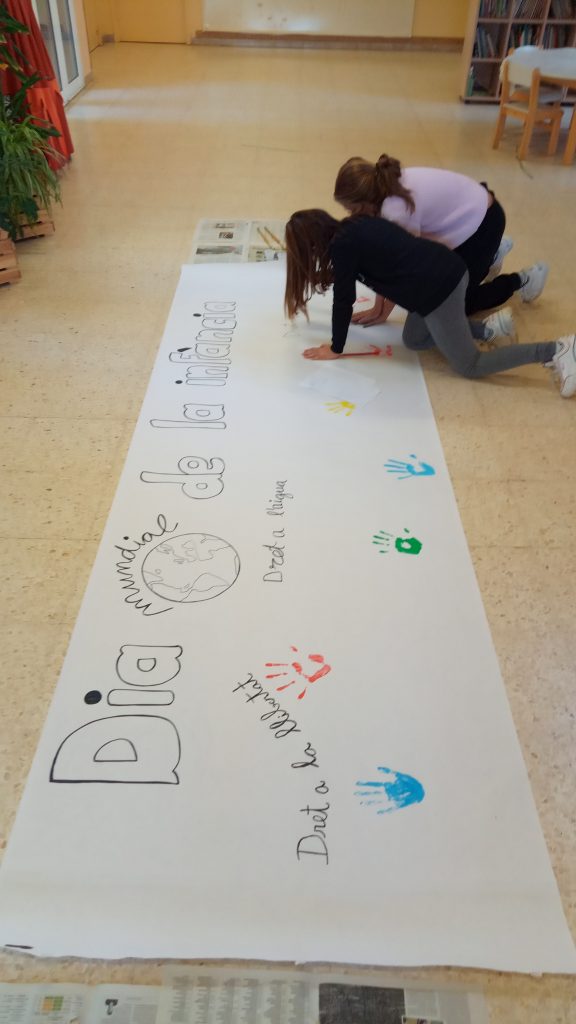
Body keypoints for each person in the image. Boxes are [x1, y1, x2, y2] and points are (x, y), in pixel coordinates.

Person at [284, 209, 576, 397]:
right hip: (443, 271)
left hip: (439, 289)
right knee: (414, 339)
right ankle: (488, 329)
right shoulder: (352, 226)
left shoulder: (343, 247)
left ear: (312, 245)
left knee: (471, 365)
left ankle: (557, 350)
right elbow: (382, 264)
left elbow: (344, 300)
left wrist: (335, 348)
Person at [333, 155, 548, 333]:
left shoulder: (395, 210)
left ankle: (522, 280)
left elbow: (400, 266)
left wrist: (381, 312)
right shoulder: (384, 182)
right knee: (440, 282)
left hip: (484, 223)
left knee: (455, 305)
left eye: (351, 209)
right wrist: (378, 306)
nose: (350, 215)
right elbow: (387, 259)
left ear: (364, 202)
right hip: (469, 213)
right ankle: (490, 256)